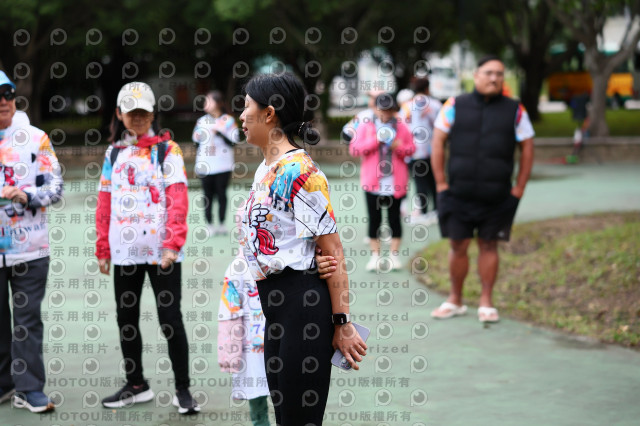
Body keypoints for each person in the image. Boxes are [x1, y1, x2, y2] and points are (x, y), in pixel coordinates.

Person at [238, 72, 367, 425]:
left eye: (247, 106)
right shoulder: (266, 168)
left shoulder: (301, 172)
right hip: (275, 308)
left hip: (303, 307)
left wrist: (342, 323)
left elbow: (333, 250)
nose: (242, 115)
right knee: (285, 417)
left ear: (269, 113)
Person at [95, 82, 199, 414]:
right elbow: (104, 202)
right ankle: (136, 384)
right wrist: (102, 247)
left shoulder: (168, 151)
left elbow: (178, 199)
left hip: (162, 253)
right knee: (126, 318)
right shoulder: (113, 154)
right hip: (124, 253)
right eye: (131, 112)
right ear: (119, 114)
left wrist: (172, 244)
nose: (137, 117)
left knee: (170, 319)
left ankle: (183, 390)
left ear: (153, 114)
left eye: (143, 112)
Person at [430, 55, 535, 323]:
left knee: (489, 244)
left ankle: (486, 301)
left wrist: (519, 188)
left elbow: (527, 147)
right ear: (476, 75)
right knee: (458, 244)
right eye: (488, 73)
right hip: (457, 193)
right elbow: (438, 141)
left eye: (499, 74)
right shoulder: (454, 105)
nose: (494, 78)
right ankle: (455, 299)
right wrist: (441, 183)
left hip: (497, 195)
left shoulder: (515, 109)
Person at [217, 225, 338, 426]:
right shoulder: (237, 269)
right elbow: (228, 311)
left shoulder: (298, 261)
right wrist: (229, 351)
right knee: (258, 398)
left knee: (288, 396)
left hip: (286, 338)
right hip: (251, 350)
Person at [0, 70, 63, 414]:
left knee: (26, 322)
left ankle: (29, 388)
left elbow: (56, 187)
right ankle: (4, 383)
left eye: (7, 93)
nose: (3, 101)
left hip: (30, 249)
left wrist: (26, 196)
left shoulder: (35, 138)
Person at [349, 93, 415, 272]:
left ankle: (394, 256)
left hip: (396, 182)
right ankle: (375, 256)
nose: (386, 113)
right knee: (374, 220)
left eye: (389, 110)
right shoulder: (366, 126)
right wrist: (376, 140)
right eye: (382, 109)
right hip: (373, 183)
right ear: (375, 109)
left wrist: (398, 147)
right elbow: (355, 149)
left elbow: (411, 148)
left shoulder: (401, 127)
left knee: (394, 219)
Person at [192, 90, 238, 236]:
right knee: (208, 195)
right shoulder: (201, 121)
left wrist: (218, 133)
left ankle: (222, 223)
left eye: (209, 101)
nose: (206, 104)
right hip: (205, 165)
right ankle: (209, 223)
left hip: (223, 165)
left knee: (221, 193)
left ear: (218, 103)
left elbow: (233, 142)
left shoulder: (228, 120)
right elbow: (196, 142)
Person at [400, 77, 442, 226]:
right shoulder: (436, 105)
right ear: (427, 88)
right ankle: (436, 210)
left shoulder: (407, 106)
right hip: (433, 150)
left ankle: (423, 212)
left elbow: (401, 126)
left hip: (414, 152)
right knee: (434, 181)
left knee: (420, 183)